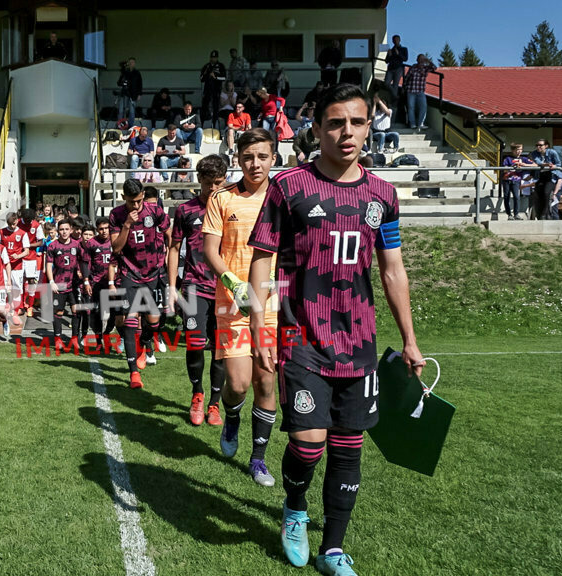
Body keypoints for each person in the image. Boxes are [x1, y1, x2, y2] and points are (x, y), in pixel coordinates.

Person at [246, 84, 424, 575]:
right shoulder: (289, 187)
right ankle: (295, 508)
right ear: (318, 129)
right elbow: (261, 260)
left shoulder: (383, 195)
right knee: (308, 444)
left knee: (348, 446)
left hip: (359, 342)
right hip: (301, 337)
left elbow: (392, 269)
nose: (347, 132)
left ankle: (333, 548)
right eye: (336, 123)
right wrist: (259, 326)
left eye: (357, 122)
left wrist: (409, 340)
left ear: (369, 127)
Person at [201, 129, 282, 487]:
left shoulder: (283, 199)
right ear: (238, 159)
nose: (255, 164)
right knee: (237, 383)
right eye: (248, 157)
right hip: (233, 304)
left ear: (274, 159)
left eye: (262, 156)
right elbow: (210, 250)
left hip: (272, 304)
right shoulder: (222, 199)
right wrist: (233, 283)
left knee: (266, 380)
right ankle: (232, 417)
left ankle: (258, 459)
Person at [166, 155, 226, 429]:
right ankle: (197, 395)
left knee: (221, 349)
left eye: (218, 182)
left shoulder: (231, 206)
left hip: (225, 289)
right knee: (194, 343)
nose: (213, 188)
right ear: (199, 179)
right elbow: (174, 249)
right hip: (194, 286)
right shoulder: (185, 210)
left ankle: (215, 403)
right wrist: (171, 287)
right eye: (208, 182)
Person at [108, 179, 171, 389]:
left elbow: (170, 235)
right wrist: (127, 224)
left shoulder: (155, 211)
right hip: (130, 273)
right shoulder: (116, 215)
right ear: (123, 198)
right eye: (131, 202)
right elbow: (116, 248)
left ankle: (144, 343)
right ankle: (134, 373)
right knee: (130, 320)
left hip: (153, 272)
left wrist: (168, 256)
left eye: (138, 201)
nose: (135, 205)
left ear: (143, 195)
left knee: (154, 322)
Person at [46, 219, 85, 350]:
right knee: (59, 311)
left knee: (76, 310)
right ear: (58, 231)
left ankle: (75, 338)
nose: (64, 232)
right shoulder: (53, 246)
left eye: (66, 229)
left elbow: (82, 261)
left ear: (71, 230)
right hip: (59, 284)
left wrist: (81, 272)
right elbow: (49, 265)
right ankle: (58, 339)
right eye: (62, 229)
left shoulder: (77, 245)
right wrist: (51, 282)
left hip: (74, 284)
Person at [81, 217, 115, 338]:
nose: (104, 231)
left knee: (115, 311)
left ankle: (108, 331)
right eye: (101, 229)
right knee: (97, 311)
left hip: (114, 282)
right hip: (97, 282)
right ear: (97, 230)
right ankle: (99, 339)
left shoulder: (115, 240)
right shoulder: (91, 243)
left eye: (106, 228)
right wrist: (86, 282)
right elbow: (85, 262)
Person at [0, 211, 30, 323]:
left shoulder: (22, 233)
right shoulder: (1, 232)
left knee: (17, 288)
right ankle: (6, 309)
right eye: (10, 224)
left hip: (17, 265)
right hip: (4, 265)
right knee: (5, 287)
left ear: (17, 220)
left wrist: (18, 256)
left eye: (14, 223)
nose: (12, 226)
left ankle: (16, 310)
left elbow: (27, 251)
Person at [530, 139, 562, 220]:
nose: (538, 147)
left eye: (540, 145)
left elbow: (558, 164)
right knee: (538, 195)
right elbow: (538, 163)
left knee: (546, 192)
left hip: (551, 176)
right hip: (540, 176)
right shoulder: (534, 153)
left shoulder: (552, 152)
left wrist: (554, 166)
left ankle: (545, 213)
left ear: (546, 146)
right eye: (537, 145)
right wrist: (547, 164)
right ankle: (540, 215)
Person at [501, 143, 535, 221]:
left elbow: (534, 164)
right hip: (507, 180)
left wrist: (524, 165)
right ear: (513, 150)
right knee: (506, 197)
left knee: (516, 197)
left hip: (516, 180)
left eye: (521, 149)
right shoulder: (507, 158)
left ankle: (516, 214)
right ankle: (509, 214)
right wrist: (512, 167)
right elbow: (504, 169)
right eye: (517, 149)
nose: (519, 151)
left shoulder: (524, 159)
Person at [403, 54, 436, 130]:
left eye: (423, 59)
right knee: (411, 107)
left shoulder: (426, 68)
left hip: (420, 91)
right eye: (420, 59)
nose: (421, 60)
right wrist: (404, 87)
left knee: (423, 107)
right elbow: (407, 77)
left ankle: (421, 124)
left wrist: (429, 61)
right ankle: (412, 124)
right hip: (411, 90)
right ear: (417, 60)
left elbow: (434, 68)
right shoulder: (413, 67)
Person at [199, 49, 227, 125]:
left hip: (216, 90)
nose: (213, 59)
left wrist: (216, 77)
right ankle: (201, 123)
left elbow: (224, 77)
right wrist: (205, 74)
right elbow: (201, 79)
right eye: (212, 57)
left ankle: (214, 124)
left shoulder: (220, 66)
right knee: (204, 107)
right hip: (207, 90)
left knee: (215, 107)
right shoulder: (206, 66)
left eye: (214, 57)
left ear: (217, 58)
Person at [117, 57, 142, 129]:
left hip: (133, 94)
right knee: (121, 110)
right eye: (130, 62)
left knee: (132, 111)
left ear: (134, 63)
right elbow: (119, 82)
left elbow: (140, 84)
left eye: (132, 62)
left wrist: (139, 94)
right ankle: (120, 125)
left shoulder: (137, 73)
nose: (131, 64)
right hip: (124, 93)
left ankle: (130, 125)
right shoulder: (125, 72)